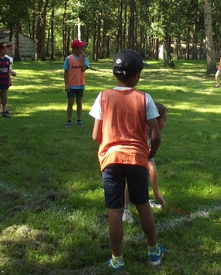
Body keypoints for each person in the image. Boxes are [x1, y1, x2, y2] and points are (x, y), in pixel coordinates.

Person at [89, 49, 167, 272]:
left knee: (115, 210)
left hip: (111, 160)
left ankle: (117, 259)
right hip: (136, 159)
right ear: (135, 76)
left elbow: (95, 136)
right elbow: (156, 134)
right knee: (143, 205)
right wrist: (150, 153)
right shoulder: (145, 98)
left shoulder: (102, 96)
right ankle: (153, 252)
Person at [122, 101, 168, 224]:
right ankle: (125, 210)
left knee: (142, 175)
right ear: (155, 120)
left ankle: (144, 200)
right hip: (126, 157)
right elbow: (151, 167)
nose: (166, 123)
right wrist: (157, 194)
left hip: (131, 155)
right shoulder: (145, 136)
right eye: (164, 120)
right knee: (130, 179)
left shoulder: (148, 130)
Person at [63, 39, 90, 128]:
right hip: (71, 85)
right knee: (70, 102)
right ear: (75, 48)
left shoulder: (84, 58)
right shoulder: (68, 59)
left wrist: (82, 59)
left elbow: (83, 69)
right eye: (81, 47)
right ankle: (68, 120)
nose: (83, 48)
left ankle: (79, 120)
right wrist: (66, 84)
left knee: (79, 102)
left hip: (80, 85)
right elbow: (66, 72)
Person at [0, 42, 18, 115]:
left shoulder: (10, 58)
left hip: (6, 77)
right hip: (3, 78)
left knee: (3, 95)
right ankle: (0, 109)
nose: (11, 51)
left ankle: (0, 108)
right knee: (2, 95)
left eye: (12, 49)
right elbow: (7, 70)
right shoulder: (5, 58)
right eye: (9, 49)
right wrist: (12, 73)